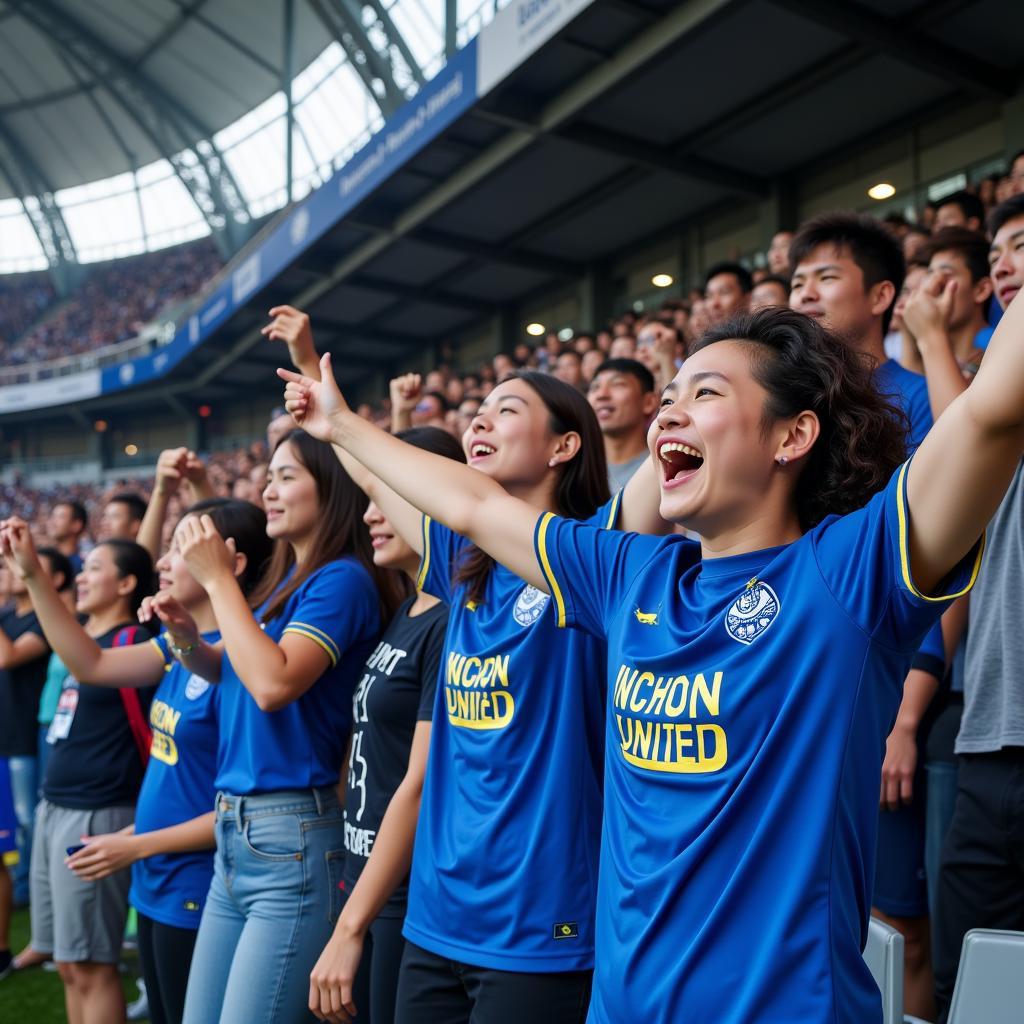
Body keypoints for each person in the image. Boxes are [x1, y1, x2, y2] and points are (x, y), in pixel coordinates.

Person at [282, 296, 1023, 1023]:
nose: (668, 413)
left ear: (792, 435)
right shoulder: (632, 575)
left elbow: (993, 412)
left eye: (705, 394)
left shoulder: (848, 573)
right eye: (668, 397)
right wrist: (339, 424)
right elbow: (473, 508)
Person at [279, 350, 670, 1024]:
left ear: (565, 445)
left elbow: (663, 466)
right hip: (436, 917)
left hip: (539, 924)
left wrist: (344, 422)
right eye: (478, 411)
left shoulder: (601, 551)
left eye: (507, 409)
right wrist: (327, 419)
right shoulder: (461, 566)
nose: (480, 420)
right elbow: (379, 484)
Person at [160, 429, 402, 1024]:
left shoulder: (341, 580)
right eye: (268, 476)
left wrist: (218, 582)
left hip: (290, 835)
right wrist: (188, 640)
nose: (269, 490)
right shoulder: (284, 581)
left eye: (287, 476)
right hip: (236, 834)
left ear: (333, 489)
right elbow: (232, 670)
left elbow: (274, 684)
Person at [4, 498, 271, 1024]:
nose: (165, 562)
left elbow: (244, 805)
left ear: (230, 562)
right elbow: (90, 661)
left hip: (195, 882)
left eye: (180, 548)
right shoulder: (182, 646)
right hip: (152, 875)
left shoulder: (247, 659)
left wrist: (136, 844)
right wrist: (35, 574)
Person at [309, 427, 463, 1024]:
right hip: (358, 871)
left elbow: (419, 781)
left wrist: (354, 924)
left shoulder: (451, 620)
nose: (372, 514)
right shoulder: (406, 607)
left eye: (387, 493)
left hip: (399, 888)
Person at [931, 194, 1024, 1021]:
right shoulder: (997, 404)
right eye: (996, 250)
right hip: (990, 736)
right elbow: (965, 427)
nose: (1003, 262)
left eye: (1021, 245)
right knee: (970, 984)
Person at [0, 534, 155, 1024]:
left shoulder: (135, 644)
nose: (82, 577)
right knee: (68, 963)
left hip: (99, 810)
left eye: (93, 568)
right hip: (57, 806)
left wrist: (31, 574)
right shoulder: (85, 638)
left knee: (91, 964)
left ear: (128, 583)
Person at [0, 548, 69, 909]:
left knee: (29, 818)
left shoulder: (43, 620)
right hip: (6, 734)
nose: (8, 571)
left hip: (26, 734)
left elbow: (7, 657)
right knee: (13, 818)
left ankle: (27, 892)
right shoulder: (9, 614)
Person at [587, 359, 658, 492]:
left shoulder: (664, 471)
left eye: (617, 385)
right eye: (595, 387)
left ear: (649, 402)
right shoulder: (574, 469)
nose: (601, 395)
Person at [47, 500, 88, 574]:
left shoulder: (84, 565)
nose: (52, 522)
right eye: (52, 516)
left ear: (76, 525)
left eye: (60, 517)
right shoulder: (46, 559)